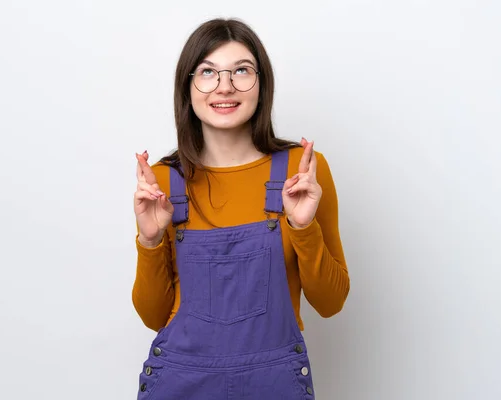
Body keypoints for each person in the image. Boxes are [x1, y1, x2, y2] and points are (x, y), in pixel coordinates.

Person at [131, 17, 350, 399]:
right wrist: (149, 241)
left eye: (241, 71)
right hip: (183, 384)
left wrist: (303, 227)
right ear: (188, 86)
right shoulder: (164, 182)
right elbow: (154, 317)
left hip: (274, 385)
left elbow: (331, 303)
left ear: (261, 83)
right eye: (208, 72)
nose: (225, 87)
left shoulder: (301, 171)